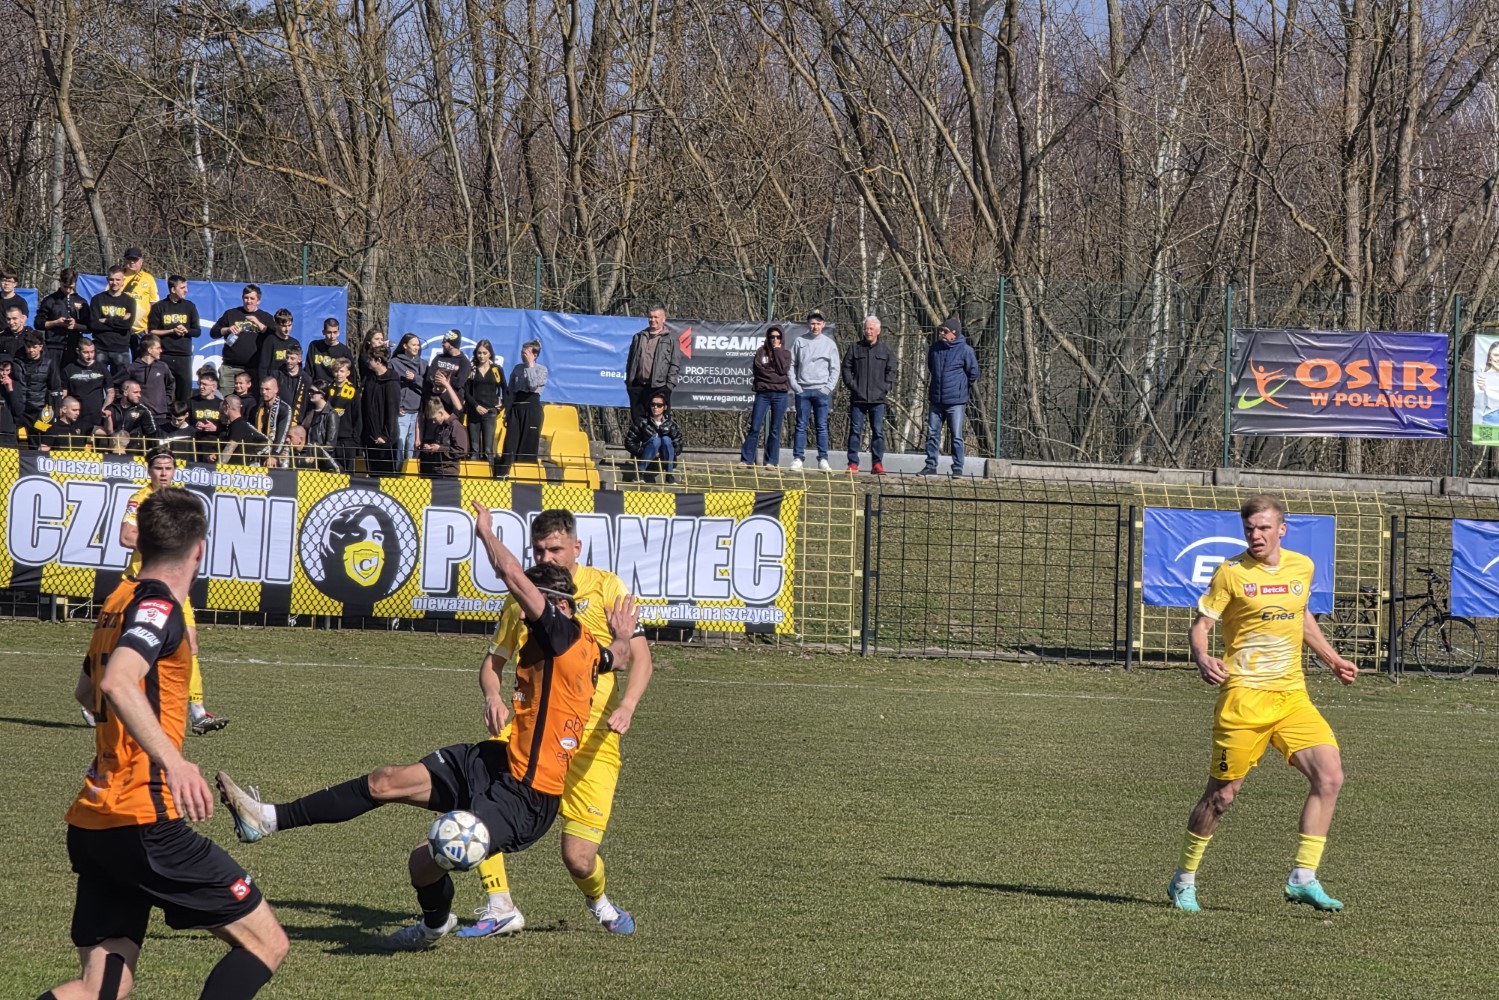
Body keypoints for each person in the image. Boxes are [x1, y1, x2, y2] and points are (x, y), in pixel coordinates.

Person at [215, 507, 636, 950]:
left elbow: (512, 573)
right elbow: (617, 658)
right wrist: (622, 635)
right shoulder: (588, 646)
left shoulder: (561, 634)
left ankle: (435, 924)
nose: (526, 607)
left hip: (527, 796)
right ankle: (267, 820)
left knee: (423, 860)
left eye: (537, 600)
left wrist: (486, 533)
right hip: (495, 762)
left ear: (561, 607)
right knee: (384, 781)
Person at [43, 488, 288, 1000]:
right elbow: (115, 683)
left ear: (144, 541)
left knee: (99, 989)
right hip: (145, 822)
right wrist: (174, 762)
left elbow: (85, 689)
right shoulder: (158, 606)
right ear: (199, 550)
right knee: (267, 944)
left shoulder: (119, 599)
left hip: (96, 820)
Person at [460, 508, 652, 939]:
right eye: (539, 550)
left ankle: (599, 901)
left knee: (579, 858)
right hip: (533, 734)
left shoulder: (606, 588)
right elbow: (492, 664)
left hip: (593, 742)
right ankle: (500, 904)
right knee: (482, 804)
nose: (546, 557)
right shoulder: (521, 600)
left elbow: (640, 658)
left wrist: (629, 706)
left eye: (555, 549)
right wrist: (493, 696)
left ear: (576, 548)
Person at [1167, 494, 1358, 915]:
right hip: (1244, 700)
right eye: (1250, 528)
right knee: (1221, 797)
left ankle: (1303, 878)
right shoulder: (1230, 574)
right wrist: (1202, 657)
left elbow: (1301, 616)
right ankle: (1183, 879)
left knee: (1330, 777)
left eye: (1264, 528)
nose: (1256, 535)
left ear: (1281, 529)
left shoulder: (1302, 567)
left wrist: (1333, 659)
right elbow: (1201, 626)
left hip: (1292, 698)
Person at [116, 446, 230, 734]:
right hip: (146, 584)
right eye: (158, 468)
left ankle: (198, 713)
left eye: (168, 468)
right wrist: (162, 540)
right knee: (137, 646)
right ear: (149, 470)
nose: (164, 473)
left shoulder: (180, 501)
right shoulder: (139, 500)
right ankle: (99, 700)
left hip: (176, 585)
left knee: (190, 643)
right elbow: (126, 536)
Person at [919, 316, 979, 477]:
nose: (942, 333)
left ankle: (957, 467)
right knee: (932, 434)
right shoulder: (935, 349)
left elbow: (973, 373)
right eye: (941, 331)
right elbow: (932, 368)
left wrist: (960, 386)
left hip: (956, 401)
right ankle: (931, 465)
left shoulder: (965, 350)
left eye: (945, 331)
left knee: (956, 435)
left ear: (954, 333)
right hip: (936, 399)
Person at [842, 315, 897, 474]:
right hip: (858, 398)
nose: (868, 331)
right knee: (855, 431)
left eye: (871, 328)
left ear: (878, 331)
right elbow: (846, 367)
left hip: (878, 400)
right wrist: (852, 385)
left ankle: (877, 464)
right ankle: (853, 463)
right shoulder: (854, 348)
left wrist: (885, 387)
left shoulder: (885, 350)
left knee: (878, 432)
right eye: (866, 328)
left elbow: (892, 370)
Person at [788, 309, 839, 471]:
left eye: (818, 323)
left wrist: (827, 388)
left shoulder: (829, 344)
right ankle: (798, 458)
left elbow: (835, 368)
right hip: (803, 391)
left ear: (823, 325)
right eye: (812, 323)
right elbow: (791, 365)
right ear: (807, 324)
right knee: (801, 425)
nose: (815, 326)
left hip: (821, 392)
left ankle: (823, 459)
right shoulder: (799, 341)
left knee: (822, 426)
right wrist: (796, 387)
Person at [739, 326, 791, 468]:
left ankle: (771, 461)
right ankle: (746, 460)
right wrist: (775, 375)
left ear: (782, 338)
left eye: (778, 337)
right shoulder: (761, 352)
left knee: (775, 428)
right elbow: (760, 371)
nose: (775, 339)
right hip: (763, 393)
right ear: (767, 338)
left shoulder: (785, 353)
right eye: (772, 337)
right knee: (755, 426)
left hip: (780, 395)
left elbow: (783, 370)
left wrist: (777, 351)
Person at [495, 339, 546, 477]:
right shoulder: (517, 368)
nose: (523, 354)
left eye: (526, 352)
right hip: (516, 408)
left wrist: (530, 366)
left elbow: (533, 385)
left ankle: (525, 474)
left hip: (531, 408)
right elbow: (511, 391)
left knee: (528, 443)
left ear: (534, 355)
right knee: (510, 442)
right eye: (522, 352)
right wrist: (508, 410)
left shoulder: (541, 370)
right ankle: (505, 473)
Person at [147, 275, 200, 405]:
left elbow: (197, 331)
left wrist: (186, 330)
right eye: (182, 288)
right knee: (163, 392)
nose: (186, 290)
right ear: (173, 289)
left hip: (184, 357)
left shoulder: (189, 306)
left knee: (184, 394)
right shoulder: (159, 307)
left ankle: (183, 420)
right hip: (165, 355)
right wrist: (171, 331)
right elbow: (152, 331)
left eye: (186, 287)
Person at [624, 304, 681, 424]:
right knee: (638, 424)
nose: (652, 320)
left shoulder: (671, 339)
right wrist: (630, 383)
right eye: (650, 317)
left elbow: (675, 364)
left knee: (659, 425)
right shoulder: (638, 337)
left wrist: (669, 386)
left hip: (659, 387)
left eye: (656, 317)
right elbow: (630, 360)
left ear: (663, 319)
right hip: (637, 387)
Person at [210, 285, 273, 389]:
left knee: (251, 403)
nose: (249, 301)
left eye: (252, 298)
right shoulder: (231, 314)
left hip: (253, 369)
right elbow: (213, 333)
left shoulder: (266, 317)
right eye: (246, 298)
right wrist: (228, 329)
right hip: (230, 368)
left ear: (258, 301)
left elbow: (273, 336)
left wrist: (258, 324)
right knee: (227, 402)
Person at [88, 267, 136, 382]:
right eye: (111, 279)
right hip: (100, 348)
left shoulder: (129, 301)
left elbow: (127, 325)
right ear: (107, 279)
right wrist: (119, 320)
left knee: (121, 385)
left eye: (118, 280)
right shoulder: (97, 299)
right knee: (96, 384)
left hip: (121, 349)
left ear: (123, 280)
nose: (115, 283)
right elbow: (93, 324)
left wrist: (106, 320)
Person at [12, 330, 65, 435]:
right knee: (16, 441)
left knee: (39, 439)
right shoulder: (16, 362)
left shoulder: (49, 363)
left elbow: (55, 388)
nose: (31, 350)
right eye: (28, 347)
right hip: (20, 410)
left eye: (34, 347)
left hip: (40, 409)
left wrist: (54, 410)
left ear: (40, 347)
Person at [36, 268, 91, 367]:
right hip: (53, 346)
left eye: (71, 287)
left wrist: (76, 326)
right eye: (65, 286)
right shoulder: (49, 300)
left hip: (74, 346)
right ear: (60, 282)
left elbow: (89, 327)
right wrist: (56, 323)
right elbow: (38, 323)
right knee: (54, 378)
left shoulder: (82, 301)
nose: (68, 290)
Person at [626, 392, 684, 484]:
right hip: (646, 457)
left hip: (664, 460)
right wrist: (642, 452)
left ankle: (669, 475)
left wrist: (667, 453)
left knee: (666, 439)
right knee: (655, 441)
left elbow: (679, 445)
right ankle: (640, 474)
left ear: (665, 407)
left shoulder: (671, 425)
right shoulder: (642, 422)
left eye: (659, 405)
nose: (655, 407)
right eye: (653, 404)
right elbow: (629, 442)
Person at [360, 347, 400, 476]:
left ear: (378, 361)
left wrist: (385, 435)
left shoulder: (391, 382)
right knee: (372, 473)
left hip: (385, 440)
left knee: (385, 475)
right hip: (370, 436)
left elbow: (392, 412)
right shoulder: (369, 379)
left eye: (370, 359)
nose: (368, 362)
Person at [63, 339, 114, 438]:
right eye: (86, 352)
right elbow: (64, 394)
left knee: (99, 446)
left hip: (96, 415)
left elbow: (110, 392)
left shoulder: (102, 368)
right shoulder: (69, 369)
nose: (89, 355)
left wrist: (105, 407)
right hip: (76, 415)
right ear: (78, 351)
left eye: (92, 352)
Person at [392, 333, 427, 468]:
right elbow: (392, 388)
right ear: (405, 346)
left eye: (418, 345)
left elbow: (428, 386)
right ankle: (398, 472)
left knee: (413, 446)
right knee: (400, 444)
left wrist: (415, 378)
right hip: (403, 412)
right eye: (414, 345)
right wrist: (397, 405)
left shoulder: (424, 364)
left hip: (418, 412)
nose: (417, 348)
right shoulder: (394, 363)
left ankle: (410, 473)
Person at [465, 339, 504, 461]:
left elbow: (505, 389)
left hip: (490, 413)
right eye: (479, 353)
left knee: (488, 450)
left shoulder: (496, 369)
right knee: (474, 450)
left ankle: (490, 476)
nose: (481, 356)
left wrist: (501, 407)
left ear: (490, 354)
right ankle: (472, 477)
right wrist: (476, 406)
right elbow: (465, 391)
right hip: (474, 412)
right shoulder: (472, 370)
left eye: (484, 353)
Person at [124, 335, 175, 423]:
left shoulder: (162, 367)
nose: (161, 351)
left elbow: (171, 384)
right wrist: (127, 402)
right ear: (149, 350)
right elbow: (118, 386)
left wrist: (166, 401)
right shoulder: (132, 368)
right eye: (158, 348)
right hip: (139, 414)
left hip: (160, 415)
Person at [325, 357, 362, 473]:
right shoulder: (328, 389)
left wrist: (355, 438)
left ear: (348, 373)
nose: (338, 374)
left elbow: (358, 416)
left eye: (341, 371)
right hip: (330, 437)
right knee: (331, 471)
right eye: (336, 371)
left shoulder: (353, 391)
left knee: (347, 471)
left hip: (347, 438)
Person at [120, 246, 159, 354]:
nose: (132, 262)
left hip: (140, 329)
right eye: (129, 259)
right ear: (124, 260)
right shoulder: (118, 276)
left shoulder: (148, 278)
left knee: (141, 361)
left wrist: (151, 326)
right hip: (120, 328)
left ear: (141, 261)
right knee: (121, 362)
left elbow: (154, 304)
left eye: (135, 259)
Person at [417, 396, 468, 478]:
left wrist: (440, 448)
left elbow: (461, 451)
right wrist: (430, 448)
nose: (433, 421)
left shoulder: (456, 426)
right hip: (436, 471)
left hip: (449, 474)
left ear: (441, 413)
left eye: (434, 418)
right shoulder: (440, 427)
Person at [104, 380, 158, 452]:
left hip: (135, 451)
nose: (139, 395)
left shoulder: (142, 410)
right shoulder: (111, 408)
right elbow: (105, 430)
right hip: (113, 450)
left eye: (139, 392)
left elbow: (151, 433)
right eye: (135, 392)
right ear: (125, 393)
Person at [216, 395, 270, 465]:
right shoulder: (240, 424)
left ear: (226, 407)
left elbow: (229, 450)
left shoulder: (238, 426)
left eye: (223, 407)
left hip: (238, 470)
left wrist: (215, 468)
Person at [427, 329, 471, 415]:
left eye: (445, 341)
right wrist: (437, 380)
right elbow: (430, 376)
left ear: (451, 344)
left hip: (452, 405)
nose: (442, 344)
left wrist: (444, 380)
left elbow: (459, 382)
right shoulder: (439, 358)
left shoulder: (464, 362)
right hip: (435, 403)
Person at [251, 376, 292, 466]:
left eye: (267, 389)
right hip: (259, 447)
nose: (264, 392)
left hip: (278, 449)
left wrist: (274, 456)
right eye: (262, 389)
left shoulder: (284, 408)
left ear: (276, 390)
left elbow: (282, 434)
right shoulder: (257, 408)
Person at [255, 309, 299, 391]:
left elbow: (298, 366)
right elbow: (263, 366)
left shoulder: (294, 342)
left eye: (289, 325)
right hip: (273, 385)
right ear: (276, 325)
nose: (287, 329)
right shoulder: (270, 341)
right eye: (284, 326)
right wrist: (264, 386)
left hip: (289, 386)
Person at [301, 388, 341, 471]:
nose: (310, 394)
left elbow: (330, 445)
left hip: (322, 462)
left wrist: (314, 451)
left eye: (313, 392)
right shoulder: (309, 411)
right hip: (308, 459)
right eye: (309, 391)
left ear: (322, 394)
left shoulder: (331, 414)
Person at [307, 317, 354, 387]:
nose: (332, 336)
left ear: (338, 332)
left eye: (335, 332)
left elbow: (351, 374)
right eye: (329, 332)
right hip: (317, 388)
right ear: (323, 332)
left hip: (335, 389)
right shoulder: (314, 346)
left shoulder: (344, 351)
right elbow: (309, 370)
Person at [190, 366, 225, 457]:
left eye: (205, 385)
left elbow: (227, 428)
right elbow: (185, 424)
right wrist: (195, 426)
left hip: (215, 448)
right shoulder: (192, 402)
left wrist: (216, 428)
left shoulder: (221, 404)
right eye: (200, 384)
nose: (201, 387)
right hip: (196, 447)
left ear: (213, 387)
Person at [275, 344, 314, 421]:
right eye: (287, 357)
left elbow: (308, 403)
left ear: (299, 359)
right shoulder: (278, 376)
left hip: (297, 420)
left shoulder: (306, 379)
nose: (288, 361)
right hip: (279, 417)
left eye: (292, 358)